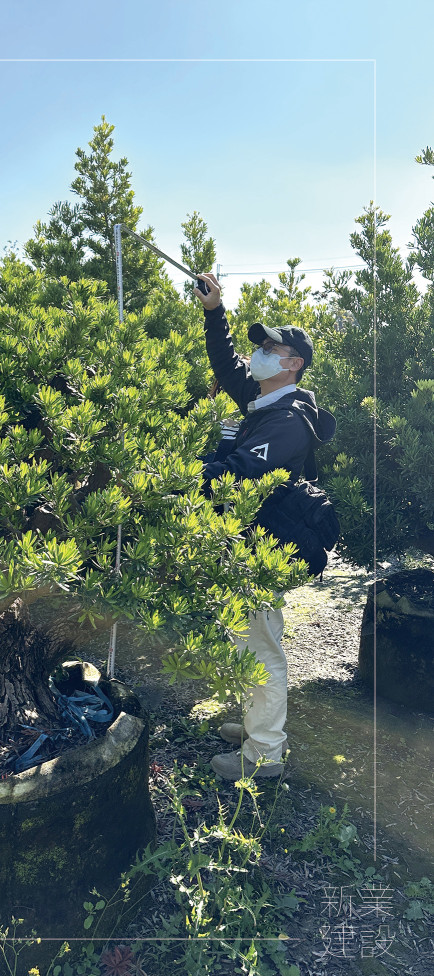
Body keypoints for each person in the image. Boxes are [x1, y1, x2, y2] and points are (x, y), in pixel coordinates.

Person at [193, 271, 335, 781]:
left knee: (261, 645)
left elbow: (238, 472)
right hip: (248, 538)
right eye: (261, 348)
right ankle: (258, 724)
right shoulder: (264, 400)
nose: (260, 355)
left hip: (265, 544)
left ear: (293, 364)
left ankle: (264, 754)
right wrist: (215, 312)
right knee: (248, 636)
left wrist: (176, 473)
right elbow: (227, 363)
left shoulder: (289, 420)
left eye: (272, 349)